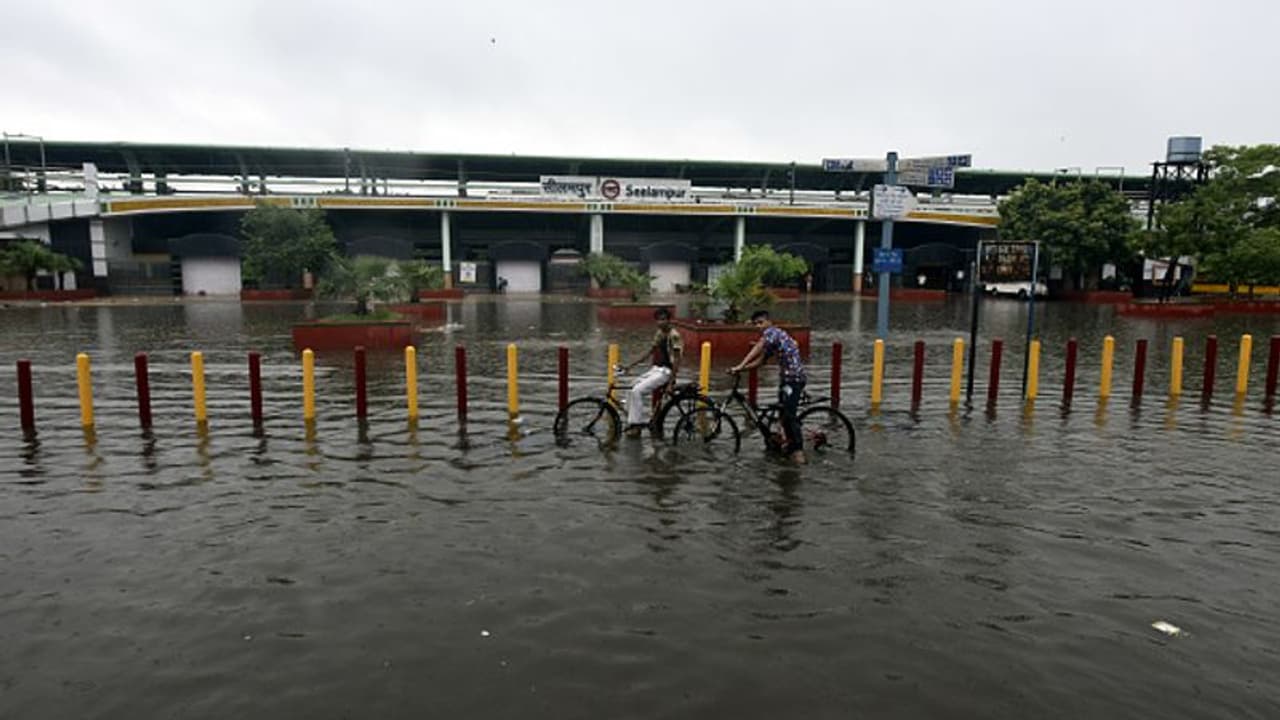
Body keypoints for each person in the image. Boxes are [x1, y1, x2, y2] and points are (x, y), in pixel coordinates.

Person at [729, 310, 807, 464]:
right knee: (782, 414)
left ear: (769, 322)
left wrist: (740, 364)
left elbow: (758, 347)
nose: (759, 326)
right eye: (756, 324)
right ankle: (784, 442)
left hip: (794, 379)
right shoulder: (772, 339)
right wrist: (740, 369)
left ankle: (798, 451)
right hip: (786, 379)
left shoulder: (773, 333)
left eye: (761, 322)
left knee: (789, 416)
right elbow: (760, 361)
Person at [622, 308, 683, 435]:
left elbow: (677, 360)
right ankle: (633, 419)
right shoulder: (660, 333)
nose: (661, 322)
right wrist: (630, 366)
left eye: (663, 319)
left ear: (669, 320)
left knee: (637, 391)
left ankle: (636, 425)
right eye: (658, 320)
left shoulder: (674, 336)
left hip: (666, 372)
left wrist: (671, 383)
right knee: (631, 387)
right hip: (656, 369)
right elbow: (650, 352)